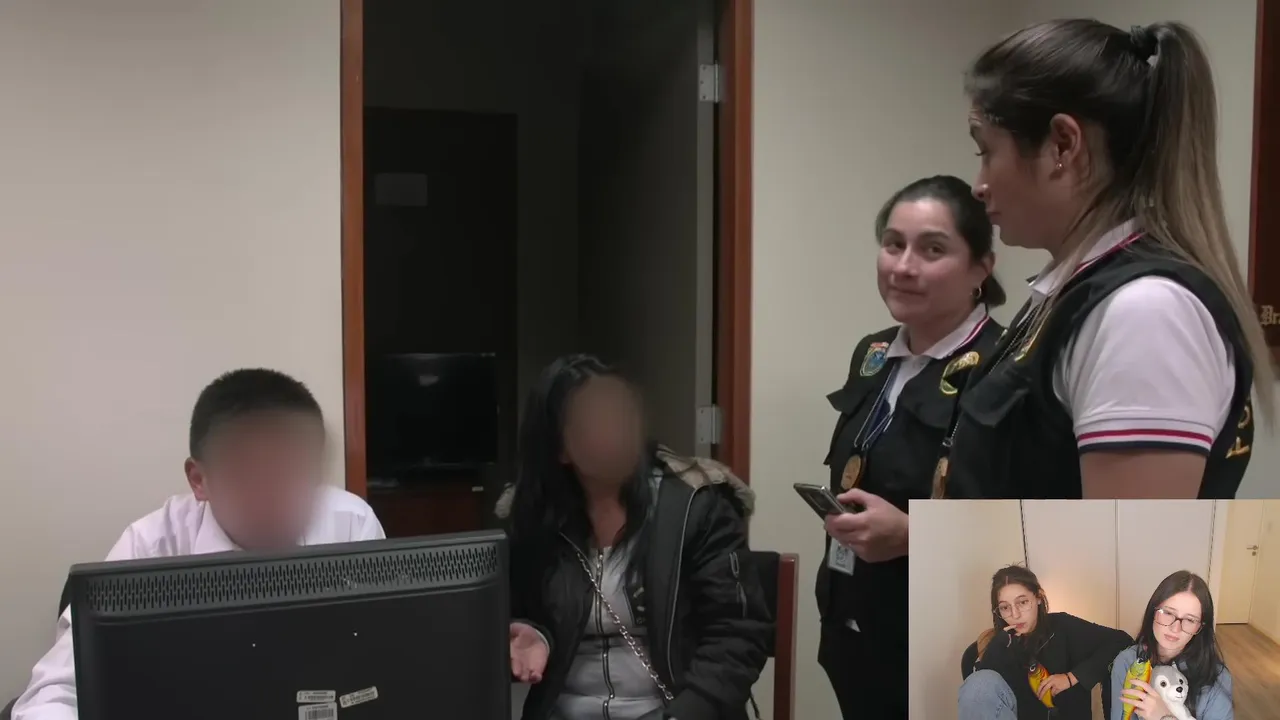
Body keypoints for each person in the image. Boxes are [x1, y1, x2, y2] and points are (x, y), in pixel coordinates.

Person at [947, 19, 1270, 500]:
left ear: (1063, 144)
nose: (979, 186)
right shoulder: (1073, 290)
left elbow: (1129, 548)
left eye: (986, 151)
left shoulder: (1146, 314)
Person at [11, 369, 385, 720]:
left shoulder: (351, 524)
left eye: (297, 474)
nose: (279, 499)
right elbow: (55, 693)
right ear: (199, 479)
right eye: (252, 476)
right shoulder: (151, 545)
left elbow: (383, 660)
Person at [818, 175, 1006, 719]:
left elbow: (1033, 514)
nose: (903, 266)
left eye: (932, 249)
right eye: (893, 244)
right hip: (853, 626)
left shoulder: (1005, 369)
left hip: (943, 642)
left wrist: (912, 535)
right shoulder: (873, 352)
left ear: (981, 267)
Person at [497, 355, 770, 720]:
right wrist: (531, 633)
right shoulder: (533, 519)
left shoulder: (696, 507)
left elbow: (738, 634)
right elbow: (515, 611)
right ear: (560, 448)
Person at [959, 565, 1132, 720]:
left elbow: (1121, 640)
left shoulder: (1062, 626)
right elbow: (981, 702)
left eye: (1022, 602)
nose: (1015, 615)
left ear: (1038, 598)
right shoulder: (1000, 645)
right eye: (1005, 607)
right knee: (979, 683)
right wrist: (997, 648)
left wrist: (1071, 677)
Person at [1111, 571, 1233, 720]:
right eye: (1168, 613)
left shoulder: (1217, 676)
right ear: (1153, 611)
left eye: (1190, 620)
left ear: (1200, 627)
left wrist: (1164, 716)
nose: (1175, 628)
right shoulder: (1127, 662)